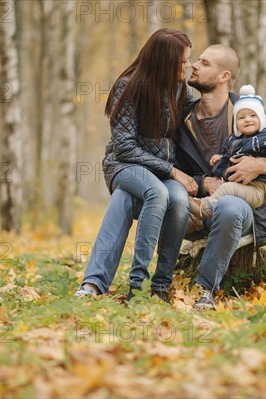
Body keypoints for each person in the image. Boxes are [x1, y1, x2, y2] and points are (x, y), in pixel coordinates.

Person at [75, 28, 197, 302]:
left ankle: (157, 286)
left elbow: (201, 116)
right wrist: (174, 171)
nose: (187, 66)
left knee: (177, 199)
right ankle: (138, 285)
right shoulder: (129, 86)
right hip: (124, 165)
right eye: (183, 61)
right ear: (165, 61)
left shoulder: (180, 90)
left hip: (162, 172)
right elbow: (125, 146)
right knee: (158, 192)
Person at [176, 44, 266, 309]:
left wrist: (262, 166)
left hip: (243, 212)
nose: (194, 65)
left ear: (224, 76)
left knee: (230, 206)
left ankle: (205, 290)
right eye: (196, 60)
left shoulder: (250, 113)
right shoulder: (182, 118)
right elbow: (169, 165)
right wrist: (202, 182)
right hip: (196, 211)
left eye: (205, 62)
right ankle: (159, 284)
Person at [188, 84, 266, 223]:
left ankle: (204, 209)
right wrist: (221, 159)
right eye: (242, 118)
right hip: (239, 186)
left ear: (261, 118)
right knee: (226, 190)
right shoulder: (234, 140)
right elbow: (230, 157)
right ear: (236, 124)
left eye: (253, 115)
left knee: (227, 188)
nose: (248, 119)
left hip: (257, 189)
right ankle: (200, 220)